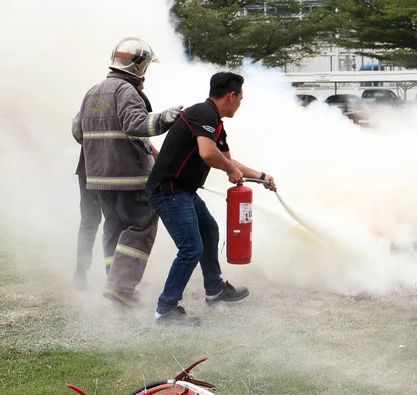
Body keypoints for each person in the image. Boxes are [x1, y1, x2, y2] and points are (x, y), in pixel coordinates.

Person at [146, 72, 277, 326]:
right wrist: (230, 170)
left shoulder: (215, 122)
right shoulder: (204, 114)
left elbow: (229, 160)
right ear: (231, 96)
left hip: (183, 191)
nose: (240, 102)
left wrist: (261, 177)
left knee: (209, 231)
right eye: (241, 97)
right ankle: (166, 309)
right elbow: (208, 154)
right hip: (169, 190)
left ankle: (214, 289)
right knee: (191, 248)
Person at [72, 37, 183, 308]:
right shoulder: (126, 91)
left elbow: (78, 132)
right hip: (129, 177)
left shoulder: (93, 91)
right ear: (139, 66)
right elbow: (136, 123)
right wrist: (167, 117)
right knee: (140, 226)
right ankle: (121, 287)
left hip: (98, 179)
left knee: (114, 226)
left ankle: (114, 278)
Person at [72, 147, 102, 290]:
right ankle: (118, 278)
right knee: (115, 222)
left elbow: (77, 133)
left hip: (89, 166)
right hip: (112, 168)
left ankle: (80, 273)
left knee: (89, 222)